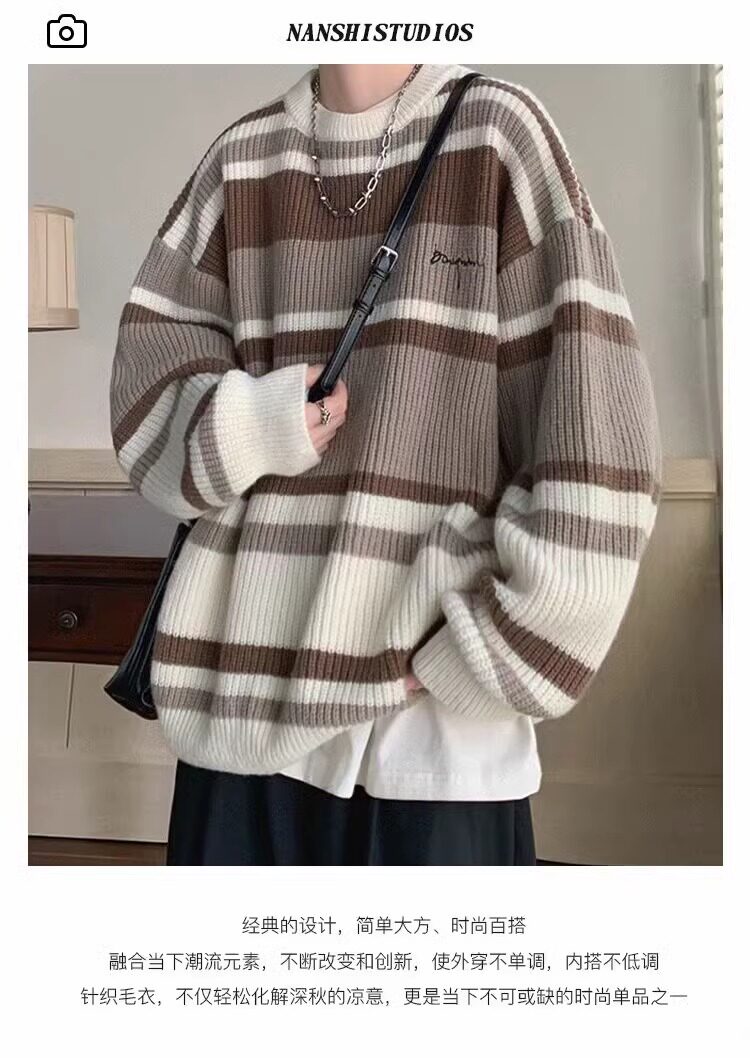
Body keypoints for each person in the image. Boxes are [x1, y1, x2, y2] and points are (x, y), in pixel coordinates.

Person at [109, 63, 662, 866]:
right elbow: (145, 414)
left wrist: (483, 657)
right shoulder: (241, 159)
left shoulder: (498, 134)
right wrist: (261, 424)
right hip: (239, 724)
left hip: (424, 742)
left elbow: (600, 444)